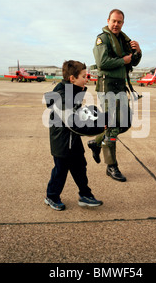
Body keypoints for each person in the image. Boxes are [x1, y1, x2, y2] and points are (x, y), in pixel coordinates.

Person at [88, 9, 142, 182]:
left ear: (123, 23)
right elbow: (102, 62)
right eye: (114, 21)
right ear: (108, 20)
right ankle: (112, 166)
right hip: (107, 85)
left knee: (124, 124)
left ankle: (96, 142)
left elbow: (132, 61)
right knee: (112, 125)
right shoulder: (102, 39)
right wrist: (123, 61)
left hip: (120, 86)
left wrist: (138, 52)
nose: (116, 24)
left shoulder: (124, 40)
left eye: (119, 22)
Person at [44, 60, 104, 211]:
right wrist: (100, 127)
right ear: (72, 79)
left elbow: (79, 114)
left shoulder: (73, 91)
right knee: (60, 171)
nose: (87, 79)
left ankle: (85, 195)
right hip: (62, 141)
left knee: (80, 167)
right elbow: (74, 123)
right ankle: (51, 196)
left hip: (73, 139)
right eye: (84, 76)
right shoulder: (62, 98)